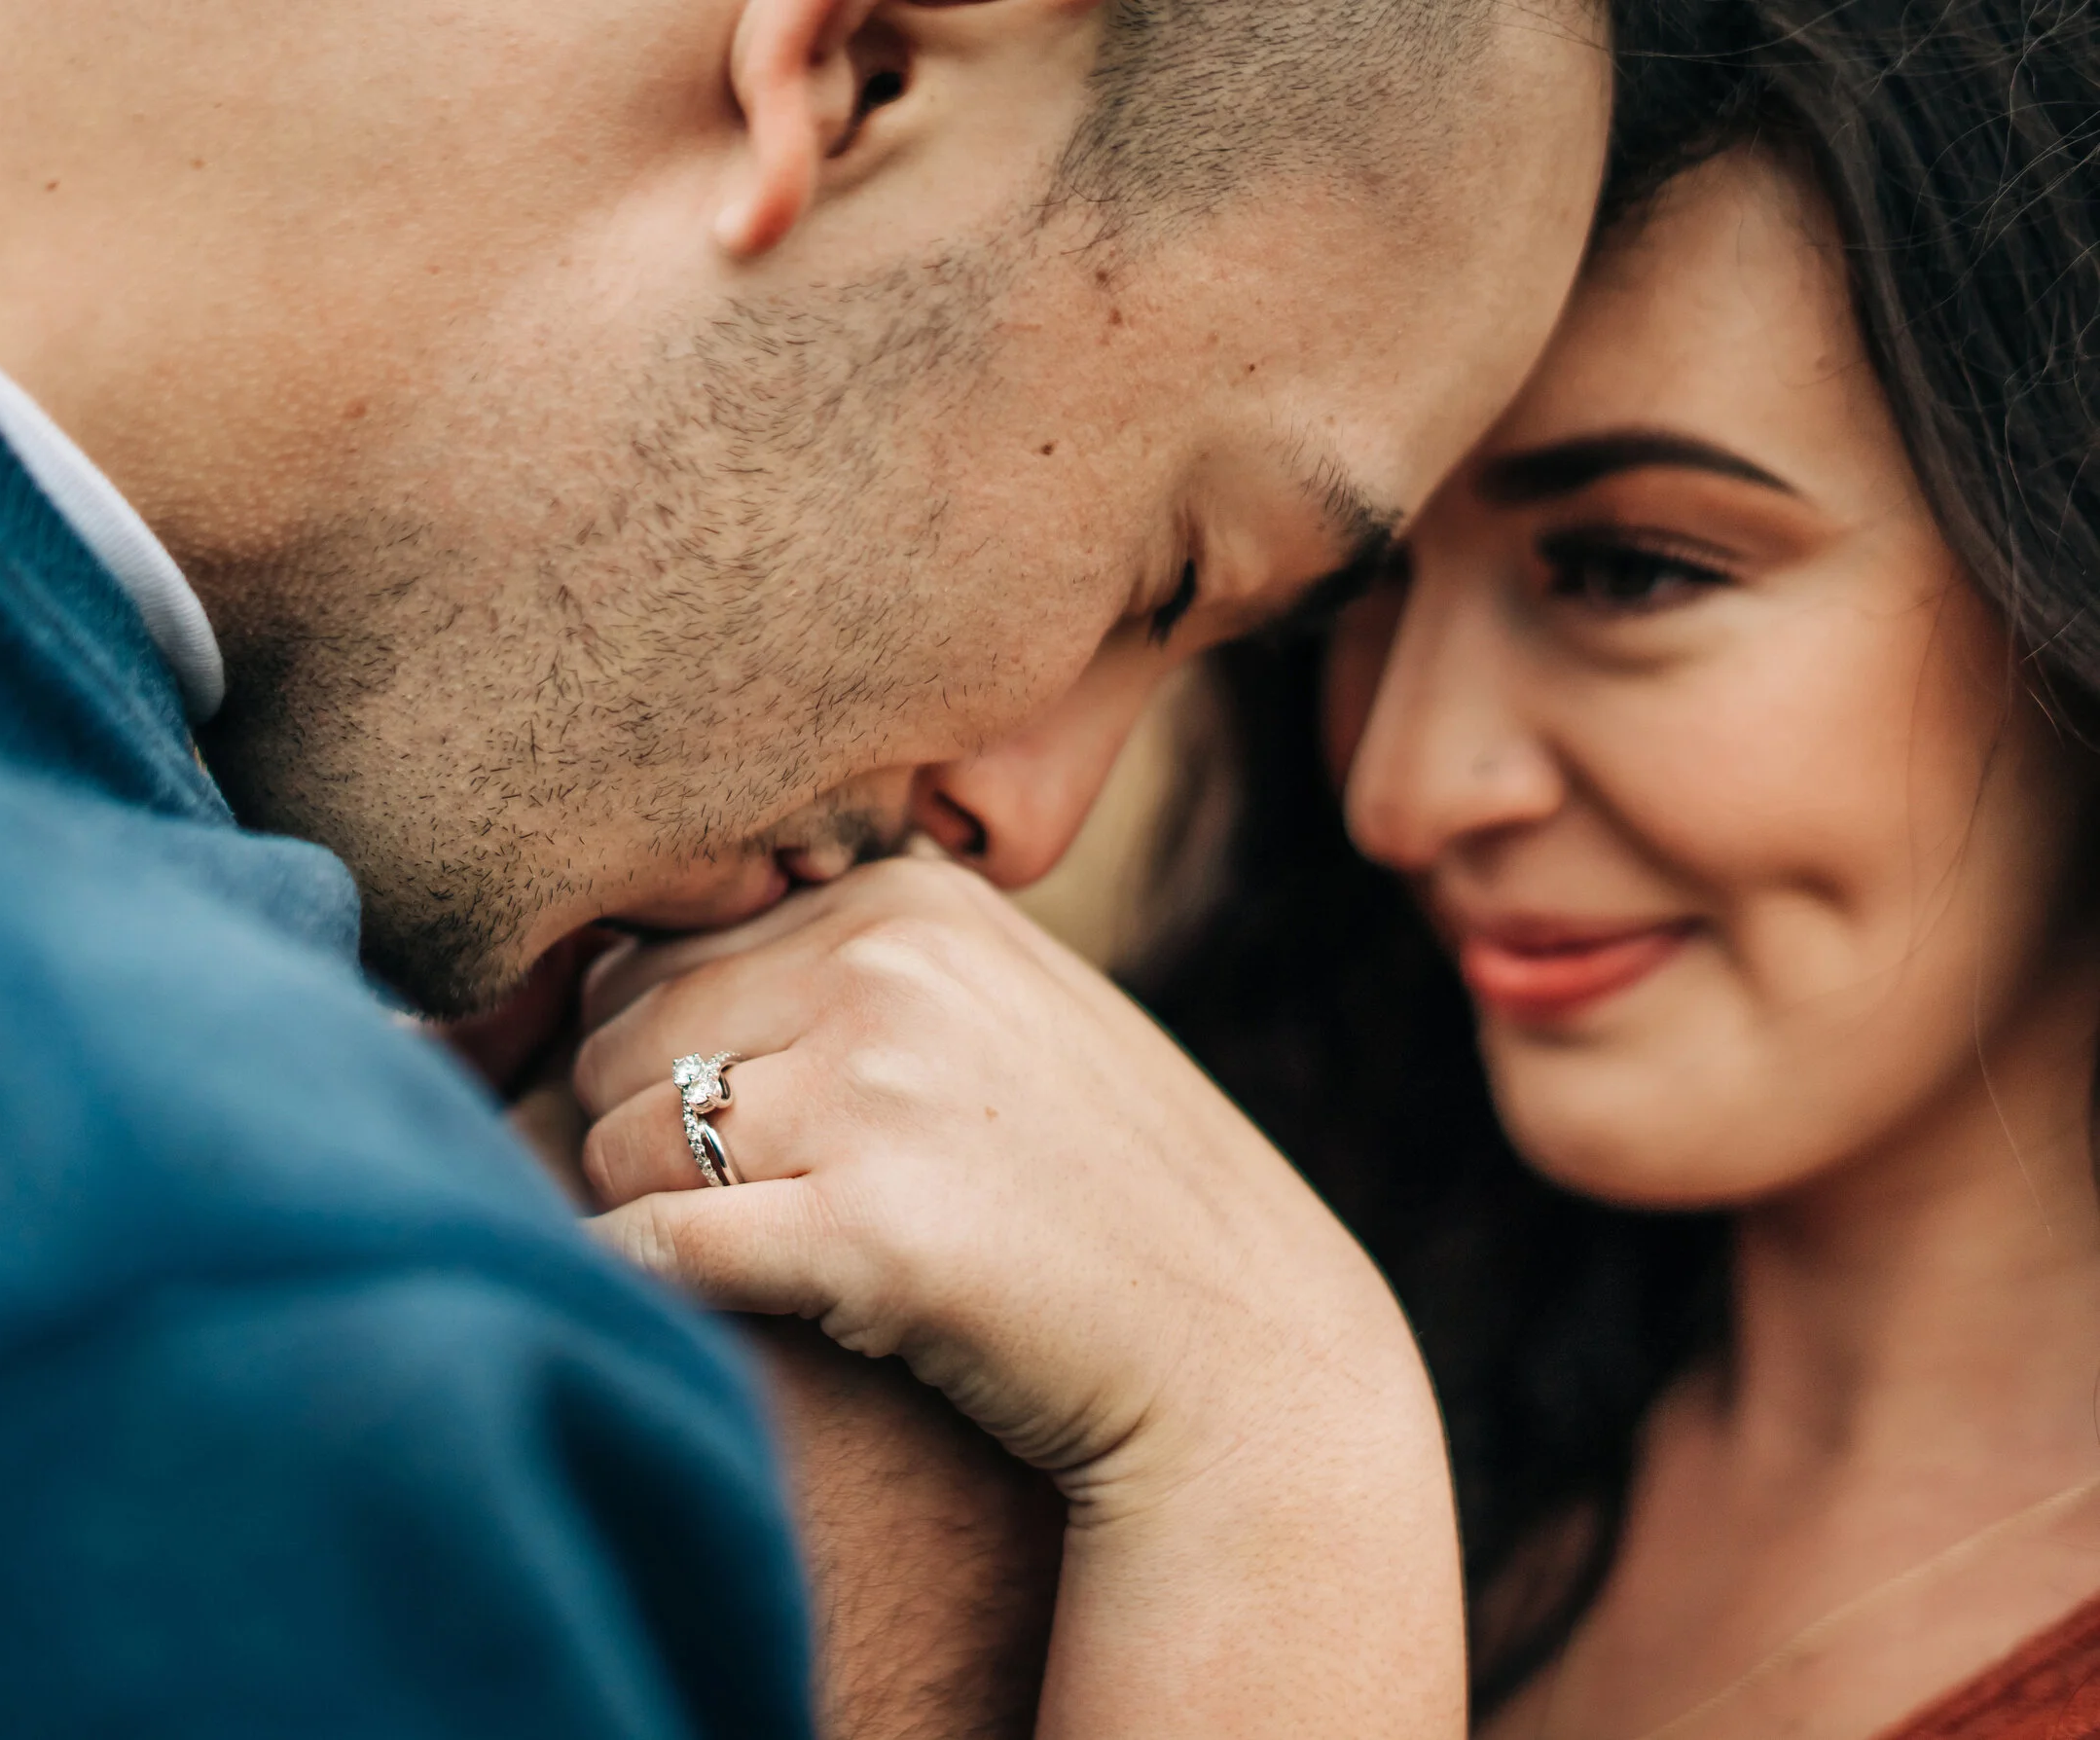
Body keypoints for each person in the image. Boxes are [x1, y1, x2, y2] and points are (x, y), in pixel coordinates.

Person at [0, 0, 1614, 1734]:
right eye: (1171, 573)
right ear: (852, 73)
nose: (1023, 823)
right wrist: (1285, 1510)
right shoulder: (219, 1331)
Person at [575, 2, 2100, 1732]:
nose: (1401, 788)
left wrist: (1271, 1464)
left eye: (1629, 570)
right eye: (1347, 608)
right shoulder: (1121, 1295)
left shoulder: (1232, 1375)